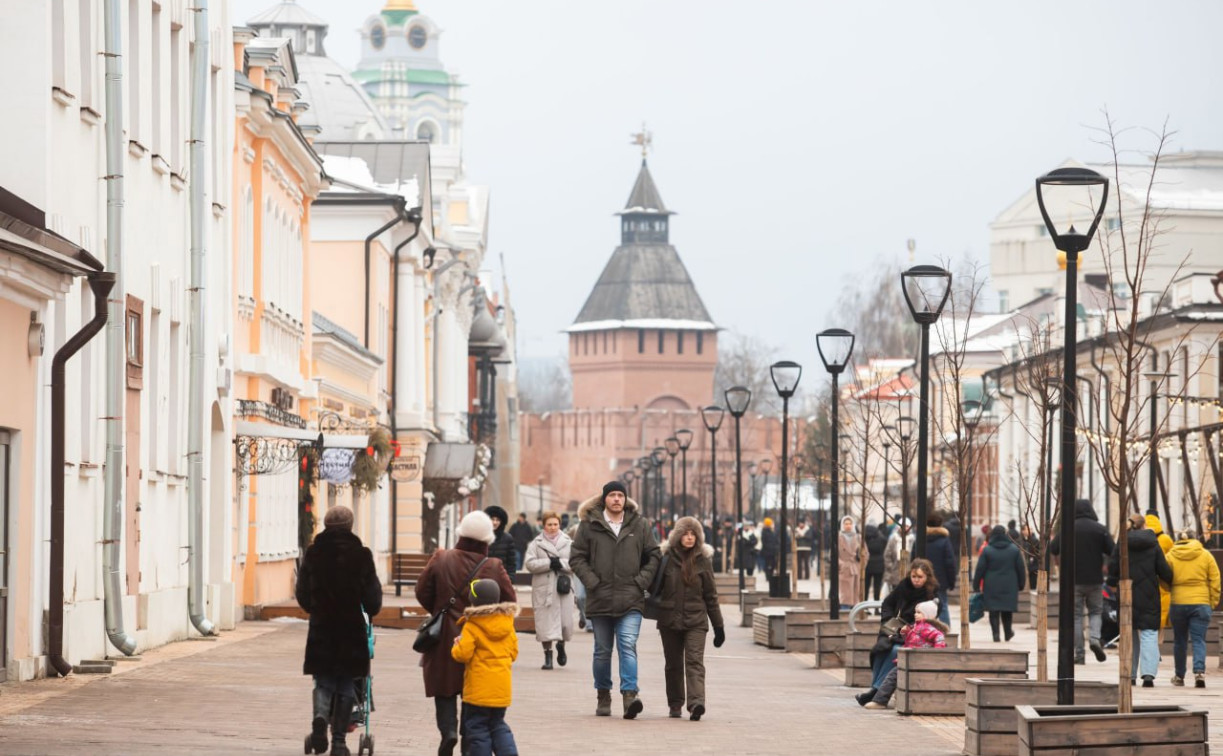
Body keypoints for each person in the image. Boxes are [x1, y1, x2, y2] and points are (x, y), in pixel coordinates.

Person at [417, 511, 517, 756]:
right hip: (483, 645)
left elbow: (421, 591)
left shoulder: (441, 558)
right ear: (487, 539)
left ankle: (448, 731)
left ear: (461, 532)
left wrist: (440, 610)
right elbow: (509, 600)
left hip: (444, 639)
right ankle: (467, 741)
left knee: (445, 689)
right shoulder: (493, 566)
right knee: (474, 696)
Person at [569, 481, 661, 719]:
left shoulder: (639, 525)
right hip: (600, 598)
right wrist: (592, 582)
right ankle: (603, 694)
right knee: (602, 651)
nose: (617, 499)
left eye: (621, 495)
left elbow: (654, 555)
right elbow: (577, 557)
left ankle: (630, 695)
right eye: (612, 495)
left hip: (631, 598)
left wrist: (641, 581)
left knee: (628, 646)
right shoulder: (590, 526)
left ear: (626, 499)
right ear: (604, 499)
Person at [296, 506, 383, 756]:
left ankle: (321, 718)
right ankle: (339, 742)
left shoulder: (314, 554)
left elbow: (302, 594)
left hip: (322, 628)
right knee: (346, 681)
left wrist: (316, 607)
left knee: (323, 680)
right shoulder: (361, 555)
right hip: (350, 629)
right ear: (350, 525)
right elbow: (373, 600)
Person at [654, 516, 725, 721]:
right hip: (669, 620)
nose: (689, 537)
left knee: (694, 662)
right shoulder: (665, 558)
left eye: (693, 534)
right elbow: (652, 586)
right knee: (673, 664)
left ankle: (696, 704)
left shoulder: (703, 561)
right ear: (678, 536)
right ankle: (675, 703)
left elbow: (711, 596)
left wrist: (718, 626)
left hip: (696, 621)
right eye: (685, 533)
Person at [855, 558, 938, 707]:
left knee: (894, 651)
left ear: (927, 577)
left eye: (920, 577)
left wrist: (912, 627)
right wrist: (889, 621)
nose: (916, 580)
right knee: (880, 648)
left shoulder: (931, 592)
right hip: (898, 624)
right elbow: (887, 603)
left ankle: (877, 691)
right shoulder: (904, 586)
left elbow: (933, 616)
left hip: (918, 631)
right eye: (914, 576)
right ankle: (875, 688)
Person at [450, 578, 520, 756]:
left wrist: (457, 645)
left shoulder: (472, 625)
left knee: (477, 728)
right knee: (498, 725)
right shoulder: (507, 624)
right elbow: (513, 653)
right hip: (501, 690)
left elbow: (463, 654)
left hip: (478, 691)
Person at [1107, 514, 1172, 687]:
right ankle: (1149, 674)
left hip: (1126, 594)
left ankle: (1130, 674)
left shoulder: (1121, 543)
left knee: (1129, 634)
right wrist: (1170, 580)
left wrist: (1112, 583)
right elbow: (1164, 570)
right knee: (1149, 633)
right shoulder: (1153, 543)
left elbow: (1113, 567)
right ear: (1144, 525)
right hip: (1149, 595)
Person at [1050, 499, 1116, 664]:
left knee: (1076, 616)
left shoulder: (1068, 528)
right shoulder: (1100, 529)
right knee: (1095, 611)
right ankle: (1094, 638)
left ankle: (1079, 655)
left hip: (1073, 580)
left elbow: (1054, 548)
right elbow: (1113, 551)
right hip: (1095, 579)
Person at [863, 600, 948, 709]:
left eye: (919, 612)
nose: (915, 614)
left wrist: (935, 654)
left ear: (928, 615)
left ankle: (880, 701)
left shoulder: (928, 628)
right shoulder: (916, 627)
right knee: (892, 677)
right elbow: (911, 640)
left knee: (892, 677)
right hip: (910, 660)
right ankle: (880, 699)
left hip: (918, 661)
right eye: (916, 612)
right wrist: (904, 633)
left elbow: (939, 638)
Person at [1167, 528, 1221, 688]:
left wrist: (1171, 590)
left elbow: (1163, 577)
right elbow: (1215, 580)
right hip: (1201, 602)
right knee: (1199, 639)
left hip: (1178, 601)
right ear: (1194, 538)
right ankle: (1199, 672)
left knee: (1179, 641)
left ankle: (1179, 676)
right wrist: (1212, 601)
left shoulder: (1170, 556)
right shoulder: (1205, 555)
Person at [523, 511, 575, 670]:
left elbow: (576, 563)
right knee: (545, 624)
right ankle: (548, 656)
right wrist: (548, 563)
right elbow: (529, 564)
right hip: (544, 589)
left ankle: (561, 645)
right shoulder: (535, 543)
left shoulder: (569, 542)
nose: (553, 527)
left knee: (565, 624)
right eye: (549, 525)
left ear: (560, 525)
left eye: (555, 524)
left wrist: (560, 564)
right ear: (543, 526)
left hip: (563, 588)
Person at [973, 525, 1027, 642]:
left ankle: (996, 635)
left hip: (991, 584)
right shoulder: (1014, 550)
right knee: (1007, 609)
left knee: (993, 610)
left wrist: (976, 585)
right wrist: (1021, 584)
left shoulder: (987, 550)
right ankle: (1008, 632)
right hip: (1010, 584)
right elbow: (1021, 569)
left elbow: (980, 569)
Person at [926, 512, 958, 625]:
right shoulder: (944, 541)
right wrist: (951, 581)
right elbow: (950, 563)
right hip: (941, 581)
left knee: (923, 604)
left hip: (923, 579)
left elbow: (913, 559)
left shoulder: (920, 539)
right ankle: (946, 631)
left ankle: (924, 631)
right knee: (943, 605)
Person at [1145, 513, 1174, 629]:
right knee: (1164, 602)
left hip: (1147, 577)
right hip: (1163, 577)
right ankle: (1163, 625)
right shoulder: (1166, 539)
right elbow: (1172, 557)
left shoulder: (1143, 540)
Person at [883, 518, 915, 594]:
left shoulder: (912, 539)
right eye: (903, 526)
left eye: (907, 526)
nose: (905, 528)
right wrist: (891, 566)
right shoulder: (893, 538)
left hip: (909, 571)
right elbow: (887, 554)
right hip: (895, 572)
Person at [484, 506, 519, 574]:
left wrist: (509, 580)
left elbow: (511, 563)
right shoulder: (481, 537)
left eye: (498, 520)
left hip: (501, 578)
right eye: (492, 519)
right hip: (484, 577)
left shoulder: (508, 538)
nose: (495, 522)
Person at [838, 516, 862, 609]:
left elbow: (865, 553)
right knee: (845, 596)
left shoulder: (858, 537)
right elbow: (833, 554)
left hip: (856, 568)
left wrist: (860, 566)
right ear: (842, 525)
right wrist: (841, 565)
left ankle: (854, 614)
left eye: (850, 524)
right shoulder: (839, 537)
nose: (848, 526)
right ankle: (845, 613)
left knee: (856, 595)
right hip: (844, 569)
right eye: (846, 524)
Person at [863, 523, 887, 601]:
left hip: (867, 565)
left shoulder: (864, 540)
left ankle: (865, 605)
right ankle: (876, 605)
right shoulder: (882, 539)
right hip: (879, 565)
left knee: (866, 586)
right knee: (877, 586)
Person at [1019, 524, 1041, 592]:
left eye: (1030, 529)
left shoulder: (1035, 541)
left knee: (1033, 587)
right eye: (1027, 529)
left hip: (1033, 568)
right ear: (1023, 531)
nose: (1030, 530)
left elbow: (1038, 553)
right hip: (1024, 568)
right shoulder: (1020, 541)